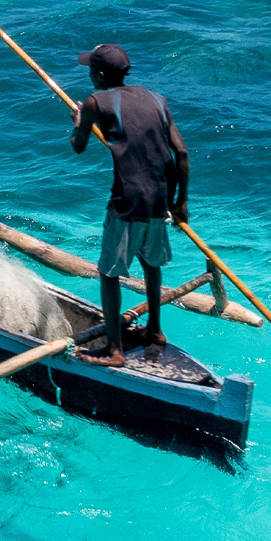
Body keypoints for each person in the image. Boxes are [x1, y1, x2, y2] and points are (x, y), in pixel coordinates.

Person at [69, 43, 189, 366]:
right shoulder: (157, 100)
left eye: (92, 69)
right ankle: (155, 330)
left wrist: (80, 121)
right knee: (151, 263)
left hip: (127, 202)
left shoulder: (96, 102)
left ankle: (114, 350)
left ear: (102, 74)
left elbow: (79, 146)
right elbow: (182, 154)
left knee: (108, 273)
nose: (90, 74)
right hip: (159, 201)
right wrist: (181, 203)